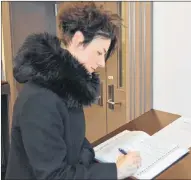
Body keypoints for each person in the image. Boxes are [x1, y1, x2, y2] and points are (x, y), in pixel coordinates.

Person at [6, 2, 141, 180]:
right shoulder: (39, 100)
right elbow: (54, 176)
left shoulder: (66, 88)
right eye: (99, 52)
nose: (102, 63)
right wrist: (116, 171)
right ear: (78, 40)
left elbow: (76, 145)